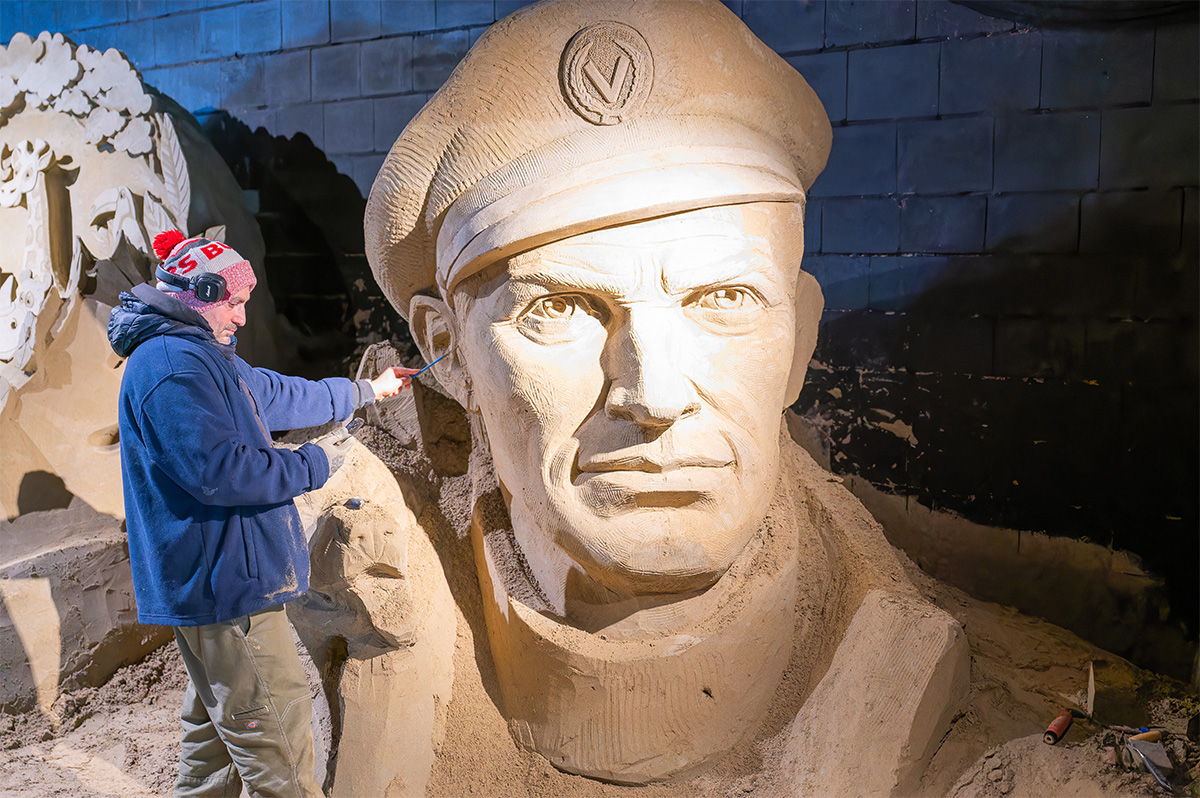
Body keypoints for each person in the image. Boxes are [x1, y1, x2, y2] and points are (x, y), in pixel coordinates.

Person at [358, 1, 969, 793]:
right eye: (562, 310)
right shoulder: (374, 624)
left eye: (724, 299)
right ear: (450, 353)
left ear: (802, 340)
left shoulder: (888, 666)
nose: (653, 394)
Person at [107, 229, 416, 797]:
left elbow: (273, 395)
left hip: (220, 586)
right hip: (227, 590)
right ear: (197, 293)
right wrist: (312, 465)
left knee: (213, 760)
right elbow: (223, 472)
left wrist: (364, 391)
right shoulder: (173, 367)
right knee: (281, 754)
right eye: (235, 303)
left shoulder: (198, 354)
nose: (244, 319)